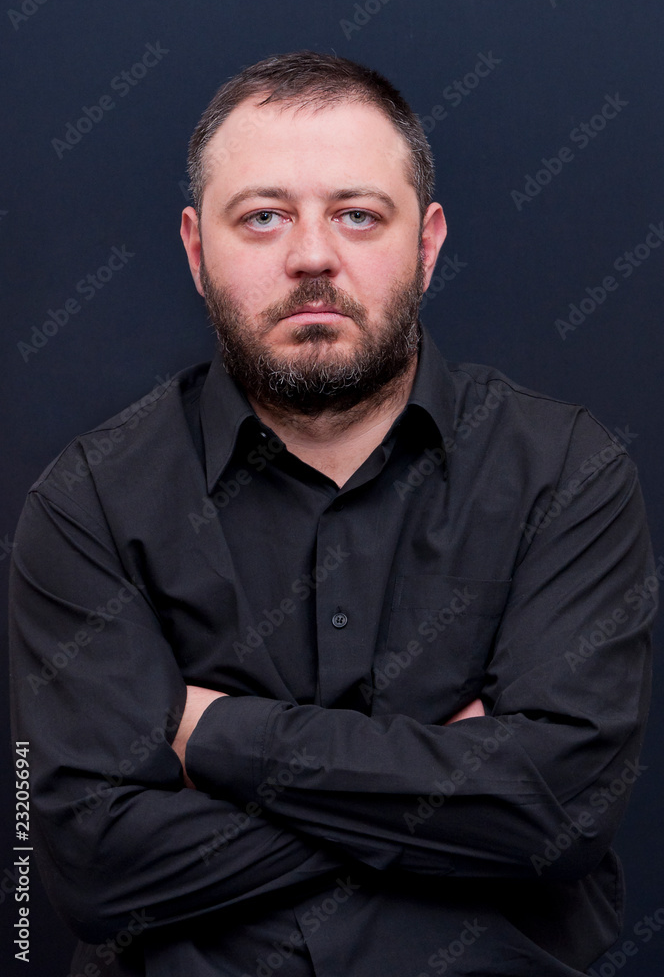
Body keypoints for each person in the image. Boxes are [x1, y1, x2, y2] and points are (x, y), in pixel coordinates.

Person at [9, 50, 656, 977]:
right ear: (196, 251)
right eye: (263, 217)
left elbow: (559, 818)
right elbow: (93, 869)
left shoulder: (567, 474)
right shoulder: (87, 504)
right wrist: (449, 789)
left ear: (427, 244)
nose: (312, 255)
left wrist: (213, 738)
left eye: (358, 215)